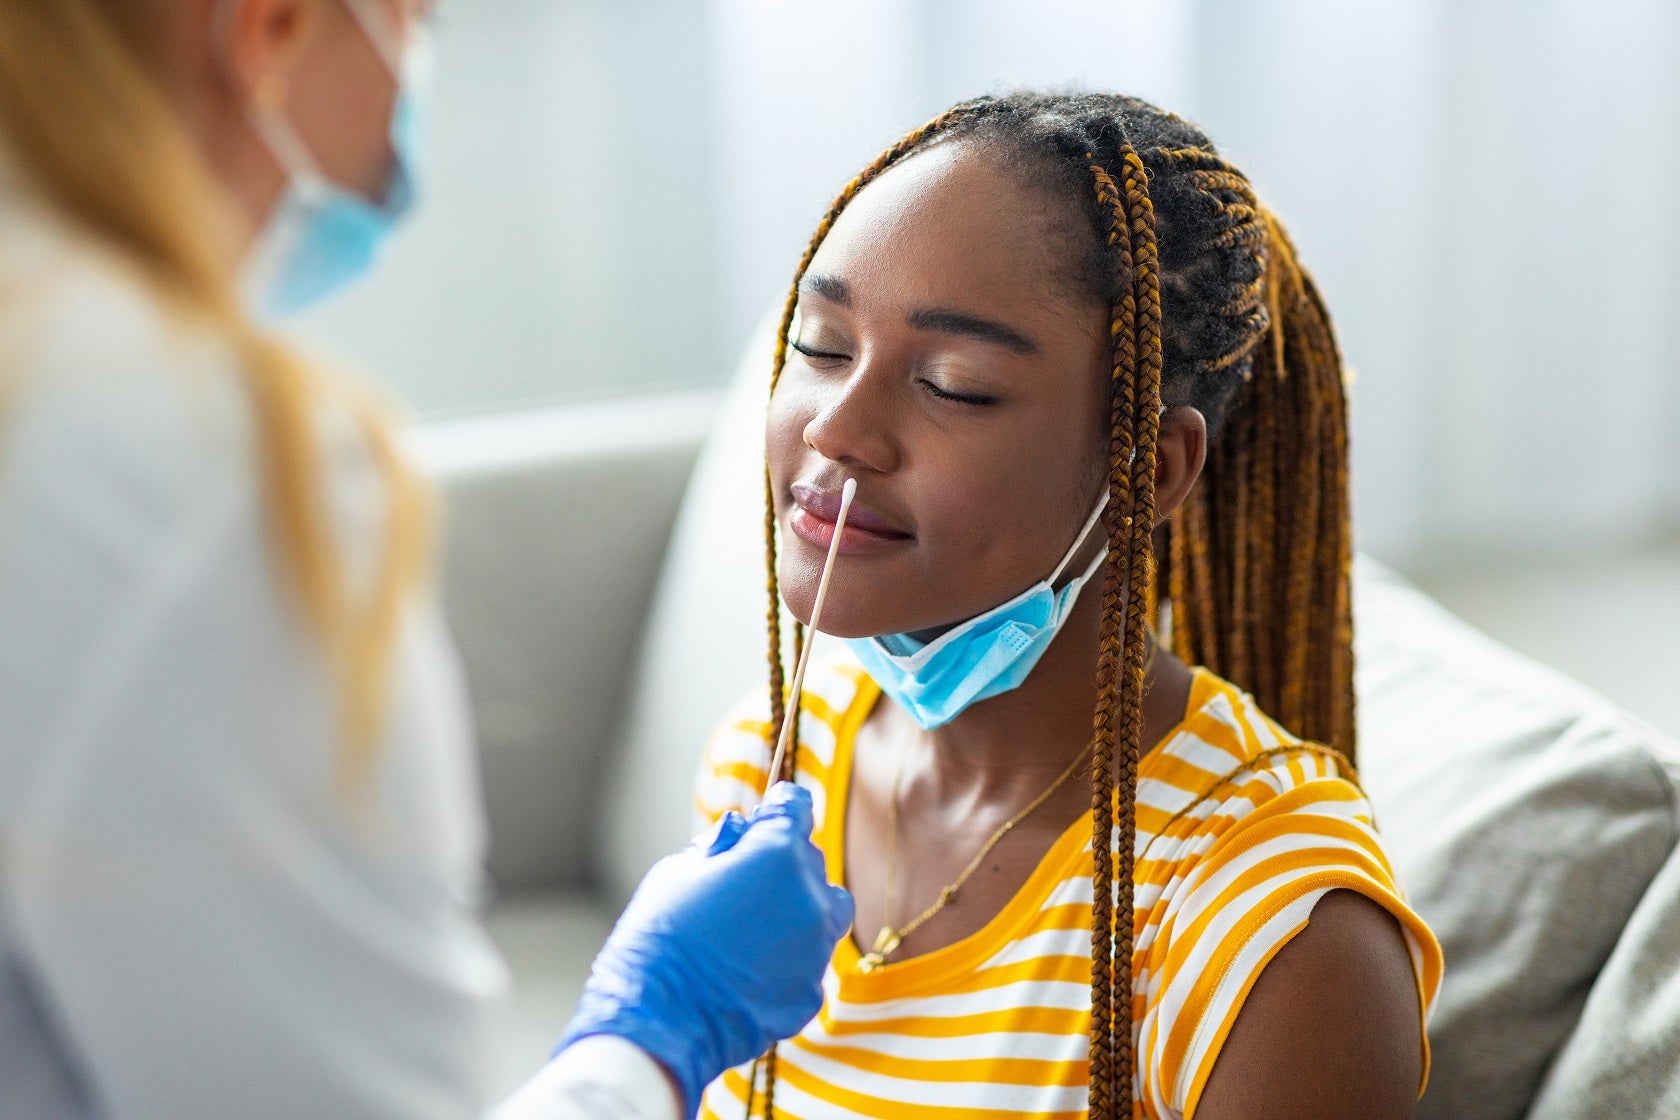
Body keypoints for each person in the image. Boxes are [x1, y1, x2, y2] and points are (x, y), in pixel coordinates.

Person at [0, 2, 850, 1118]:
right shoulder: (197, 469)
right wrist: (653, 1031)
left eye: (960, 388)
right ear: (272, 27)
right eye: (415, 18)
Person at [693, 93, 1445, 1119]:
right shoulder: (768, 762)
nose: (837, 430)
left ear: (1152, 465)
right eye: (823, 347)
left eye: (953, 385)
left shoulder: (1275, 937)